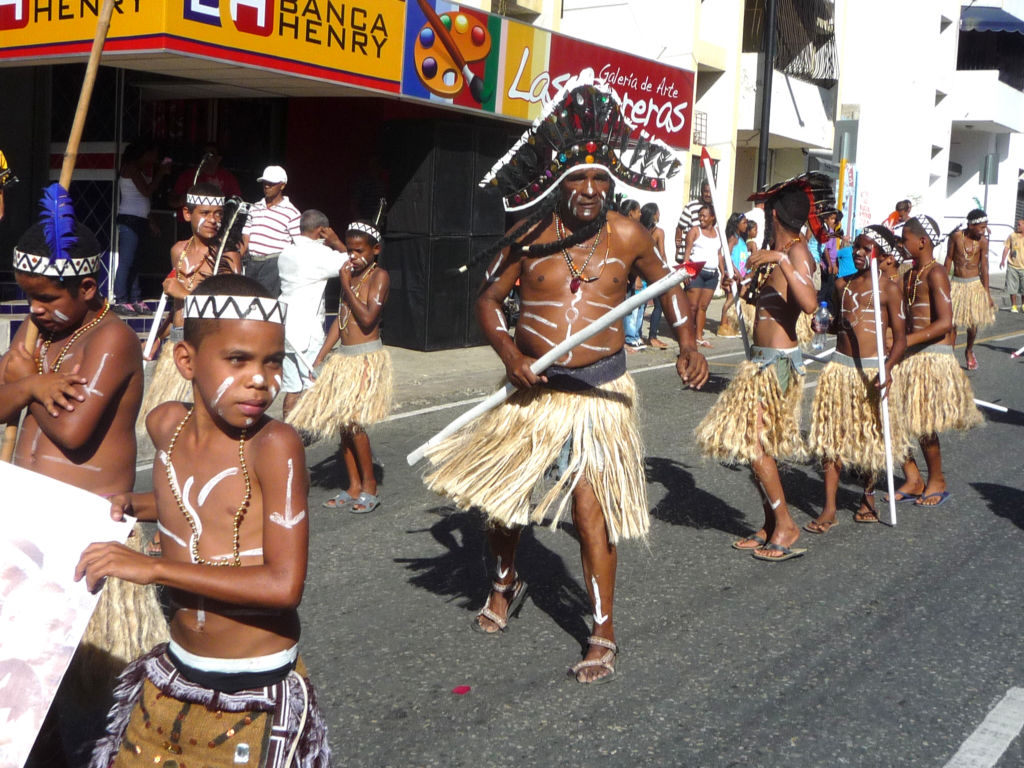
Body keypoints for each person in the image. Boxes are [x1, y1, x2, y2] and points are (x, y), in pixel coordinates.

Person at [423, 70, 709, 684]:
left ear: (611, 183)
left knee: (589, 516)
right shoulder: (527, 236)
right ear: (557, 181)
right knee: (501, 505)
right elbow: (485, 301)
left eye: (598, 179)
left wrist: (687, 340)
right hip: (534, 395)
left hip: (598, 397)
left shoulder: (629, 235)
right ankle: (506, 583)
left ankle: (601, 630)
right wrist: (509, 354)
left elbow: (669, 290)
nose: (587, 190)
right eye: (576, 179)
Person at [76, 274, 331, 768]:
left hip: (253, 687)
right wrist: (134, 503)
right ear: (186, 361)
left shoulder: (275, 446)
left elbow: (283, 586)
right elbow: (187, 502)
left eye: (272, 361)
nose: (260, 380)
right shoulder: (166, 426)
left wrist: (152, 569)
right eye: (238, 359)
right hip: (174, 671)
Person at [0, 184, 165, 765]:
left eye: (45, 300)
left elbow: (72, 432)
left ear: (88, 289)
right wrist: (25, 382)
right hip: (24, 522)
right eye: (27, 299)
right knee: (18, 690)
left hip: (83, 532)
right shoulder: (38, 337)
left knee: (97, 694)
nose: (35, 311)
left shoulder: (111, 337)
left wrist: (27, 384)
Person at [696, 173, 835, 561]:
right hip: (760, 362)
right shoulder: (784, 250)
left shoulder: (797, 253)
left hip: (778, 364)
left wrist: (780, 259)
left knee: (754, 445)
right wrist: (736, 285)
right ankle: (771, 523)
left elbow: (809, 304)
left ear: (774, 214)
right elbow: (769, 300)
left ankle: (786, 524)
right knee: (758, 446)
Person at [804, 225, 908, 533]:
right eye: (857, 248)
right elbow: (839, 326)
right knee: (831, 439)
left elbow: (900, 339)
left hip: (872, 371)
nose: (859, 254)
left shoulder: (889, 288)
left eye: (866, 249)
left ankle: (868, 497)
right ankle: (829, 507)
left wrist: (887, 368)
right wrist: (826, 326)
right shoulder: (841, 285)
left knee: (870, 439)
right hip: (840, 368)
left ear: (881, 254)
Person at [287, 220, 392, 514]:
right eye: (350, 251)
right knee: (341, 425)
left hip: (365, 358)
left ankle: (370, 485)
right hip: (344, 357)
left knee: (354, 422)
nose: (354, 257)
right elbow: (340, 321)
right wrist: (321, 356)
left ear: (376, 250)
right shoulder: (354, 276)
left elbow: (369, 318)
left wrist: (345, 284)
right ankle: (354, 485)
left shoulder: (378, 277)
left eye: (359, 251)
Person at [890, 215, 982, 506]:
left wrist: (905, 342)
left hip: (932, 356)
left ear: (922, 241)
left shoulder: (937, 273)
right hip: (911, 354)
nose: (902, 245)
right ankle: (914, 478)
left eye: (905, 239)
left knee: (923, 422)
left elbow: (945, 323)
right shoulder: (908, 275)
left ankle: (937, 479)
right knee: (893, 417)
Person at [137, 184, 242, 431]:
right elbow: (176, 307)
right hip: (176, 342)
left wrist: (182, 293)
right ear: (187, 214)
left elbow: (228, 308)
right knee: (169, 424)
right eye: (205, 213)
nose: (213, 220)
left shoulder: (227, 256)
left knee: (202, 424)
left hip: (207, 345)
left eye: (218, 214)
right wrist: (157, 337)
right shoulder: (178, 251)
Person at [277, 209, 348, 420]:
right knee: (312, 384)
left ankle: (288, 428)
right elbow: (352, 264)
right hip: (306, 329)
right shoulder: (319, 255)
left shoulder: (286, 252)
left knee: (293, 387)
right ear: (321, 231)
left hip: (284, 326)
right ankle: (309, 428)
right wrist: (335, 241)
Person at [111, 140, 171, 316]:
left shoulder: (139, 169)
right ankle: (120, 299)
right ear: (143, 153)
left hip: (139, 219)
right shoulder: (131, 168)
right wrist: (160, 173)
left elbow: (142, 200)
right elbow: (146, 191)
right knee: (127, 261)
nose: (155, 158)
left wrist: (150, 219)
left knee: (136, 262)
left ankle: (135, 298)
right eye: (153, 154)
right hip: (130, 220)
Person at [945, 208, 995, 370]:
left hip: (974, 286)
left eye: (985, 226)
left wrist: (987, 294)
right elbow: (949, 258)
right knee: (952, 324)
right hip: (957, 284)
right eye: (981, 226)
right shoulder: (956, 237)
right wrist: (943, 283)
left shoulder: (983, 242)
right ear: (970, 225)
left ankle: (969, 350)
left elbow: (984, 268)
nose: (984, 230)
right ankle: (950, 356)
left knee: (972, 325)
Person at [241, 165, 301, 298]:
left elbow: (299, 243)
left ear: (282, 185)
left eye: (271, 183)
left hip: (273, 263)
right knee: (248, 298)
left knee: (266, 301)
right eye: (265, 183)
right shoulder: (255, 207)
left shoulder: (292, 212)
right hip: (252, 262)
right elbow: (247, 234)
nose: (267, 186)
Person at [682, 203, 725, 347]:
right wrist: (685, 271)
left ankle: (699, 336)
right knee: (692, 306)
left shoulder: (719, 233)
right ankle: (688, 335)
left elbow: (719, 254)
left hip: (712, 274)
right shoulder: (695, 231)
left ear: (712, 217)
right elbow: (687, 253)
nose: (701, 219)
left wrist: (723, 272)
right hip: (696, 271)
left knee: (703, 306)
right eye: (699, 216)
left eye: (704, 216)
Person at [168, 142, 242, 221]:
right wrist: (181, 200)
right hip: (189, 223)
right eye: (204, 154)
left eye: (211, 154)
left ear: (219, 158)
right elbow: (172, 201)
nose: (207, 157)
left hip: (215, 222)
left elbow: (238, 202)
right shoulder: (188, 175)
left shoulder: (228, 177)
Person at [640, 202, 669, 348]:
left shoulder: (641, 230)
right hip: (656, 272)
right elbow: (662, 253)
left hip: (642, 270)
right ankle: (652, 337)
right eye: (658, 211)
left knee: (641, 306)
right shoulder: (658, 232)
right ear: (654, 215)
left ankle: (638, 334)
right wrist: (667, 270)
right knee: (659, 305)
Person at [719, 211, 749, 338]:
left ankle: (731, 325)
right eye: (744, 223)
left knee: (737, 298)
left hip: (741, 275)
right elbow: (727, 256)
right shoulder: (733, 238)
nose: (746, 225)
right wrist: (735, 272)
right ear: (737, 224)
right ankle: (723, 326)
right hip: (733, 274)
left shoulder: (741, 239)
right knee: (730, 299)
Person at [674, 180, 712, 261]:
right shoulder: (691, 207)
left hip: (705, 255)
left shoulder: (714, 208)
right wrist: (678, 250)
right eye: (706, 191)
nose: (708, 194)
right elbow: (679, 228)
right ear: (701, 191)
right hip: (690, 256)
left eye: (710, 191)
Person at [1000, 218, 1024, 312]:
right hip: (1012, 266)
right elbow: (1006, 248)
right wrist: (1002, 260)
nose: (1017, 226)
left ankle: (1023, 305)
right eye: (1017, 224)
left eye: (1019, 225)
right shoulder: (1012, 236)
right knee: (1012, 288)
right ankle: (1013, 306)